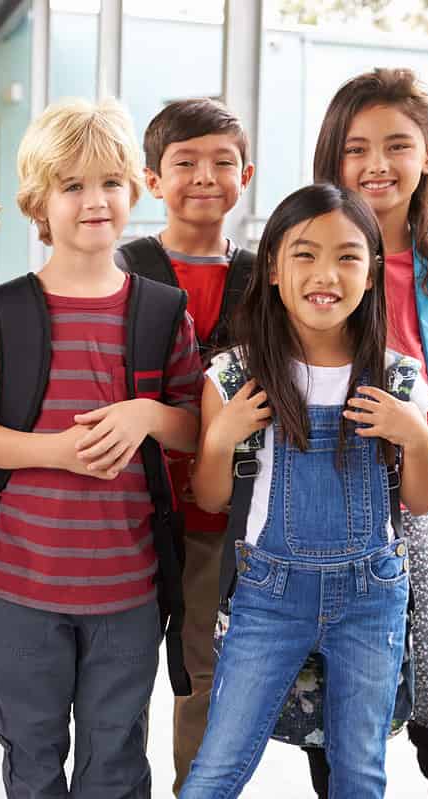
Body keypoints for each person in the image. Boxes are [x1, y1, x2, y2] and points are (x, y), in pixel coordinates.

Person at [0, 98, 204, 798]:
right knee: (31, 759)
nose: (95, 201)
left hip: (130, 590)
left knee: (115, 762)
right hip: (23, 588)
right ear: (39, 202)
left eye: (111, 183)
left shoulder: (160, 312)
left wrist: (148, 412)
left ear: (135, 190)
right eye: (73, 186)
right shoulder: (2, 315)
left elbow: (195, 424)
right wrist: (55, 451)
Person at [179, 182, 428, 799]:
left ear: (372, 274)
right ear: (272, 268)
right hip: (267, 596)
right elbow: (212, 498)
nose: (326, 272)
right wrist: (221, 439)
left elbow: (423, 500)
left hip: (372, 597)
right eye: (304, 253)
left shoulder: (398, 376)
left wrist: (417, 439)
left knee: (360, 772)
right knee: (218, 767)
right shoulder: (237, 373)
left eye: (348, 256)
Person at [310, 67, 428, 798]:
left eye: (397, 145)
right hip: (326, 496)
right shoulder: (308, 253)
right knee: (338, 672)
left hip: (416, 496)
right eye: (357, 148)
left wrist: (414, 443)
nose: (376, 165)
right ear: (334, 157)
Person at [123, 97, 256, 794]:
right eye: (184, 163)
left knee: (204, 671)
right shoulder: (122, 269)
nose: (205, 176)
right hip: (129, 512)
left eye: (223, 162)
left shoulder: (266, 277)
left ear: (248, 174)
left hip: (221, 518)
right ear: (151, 179)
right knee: (120, 672)